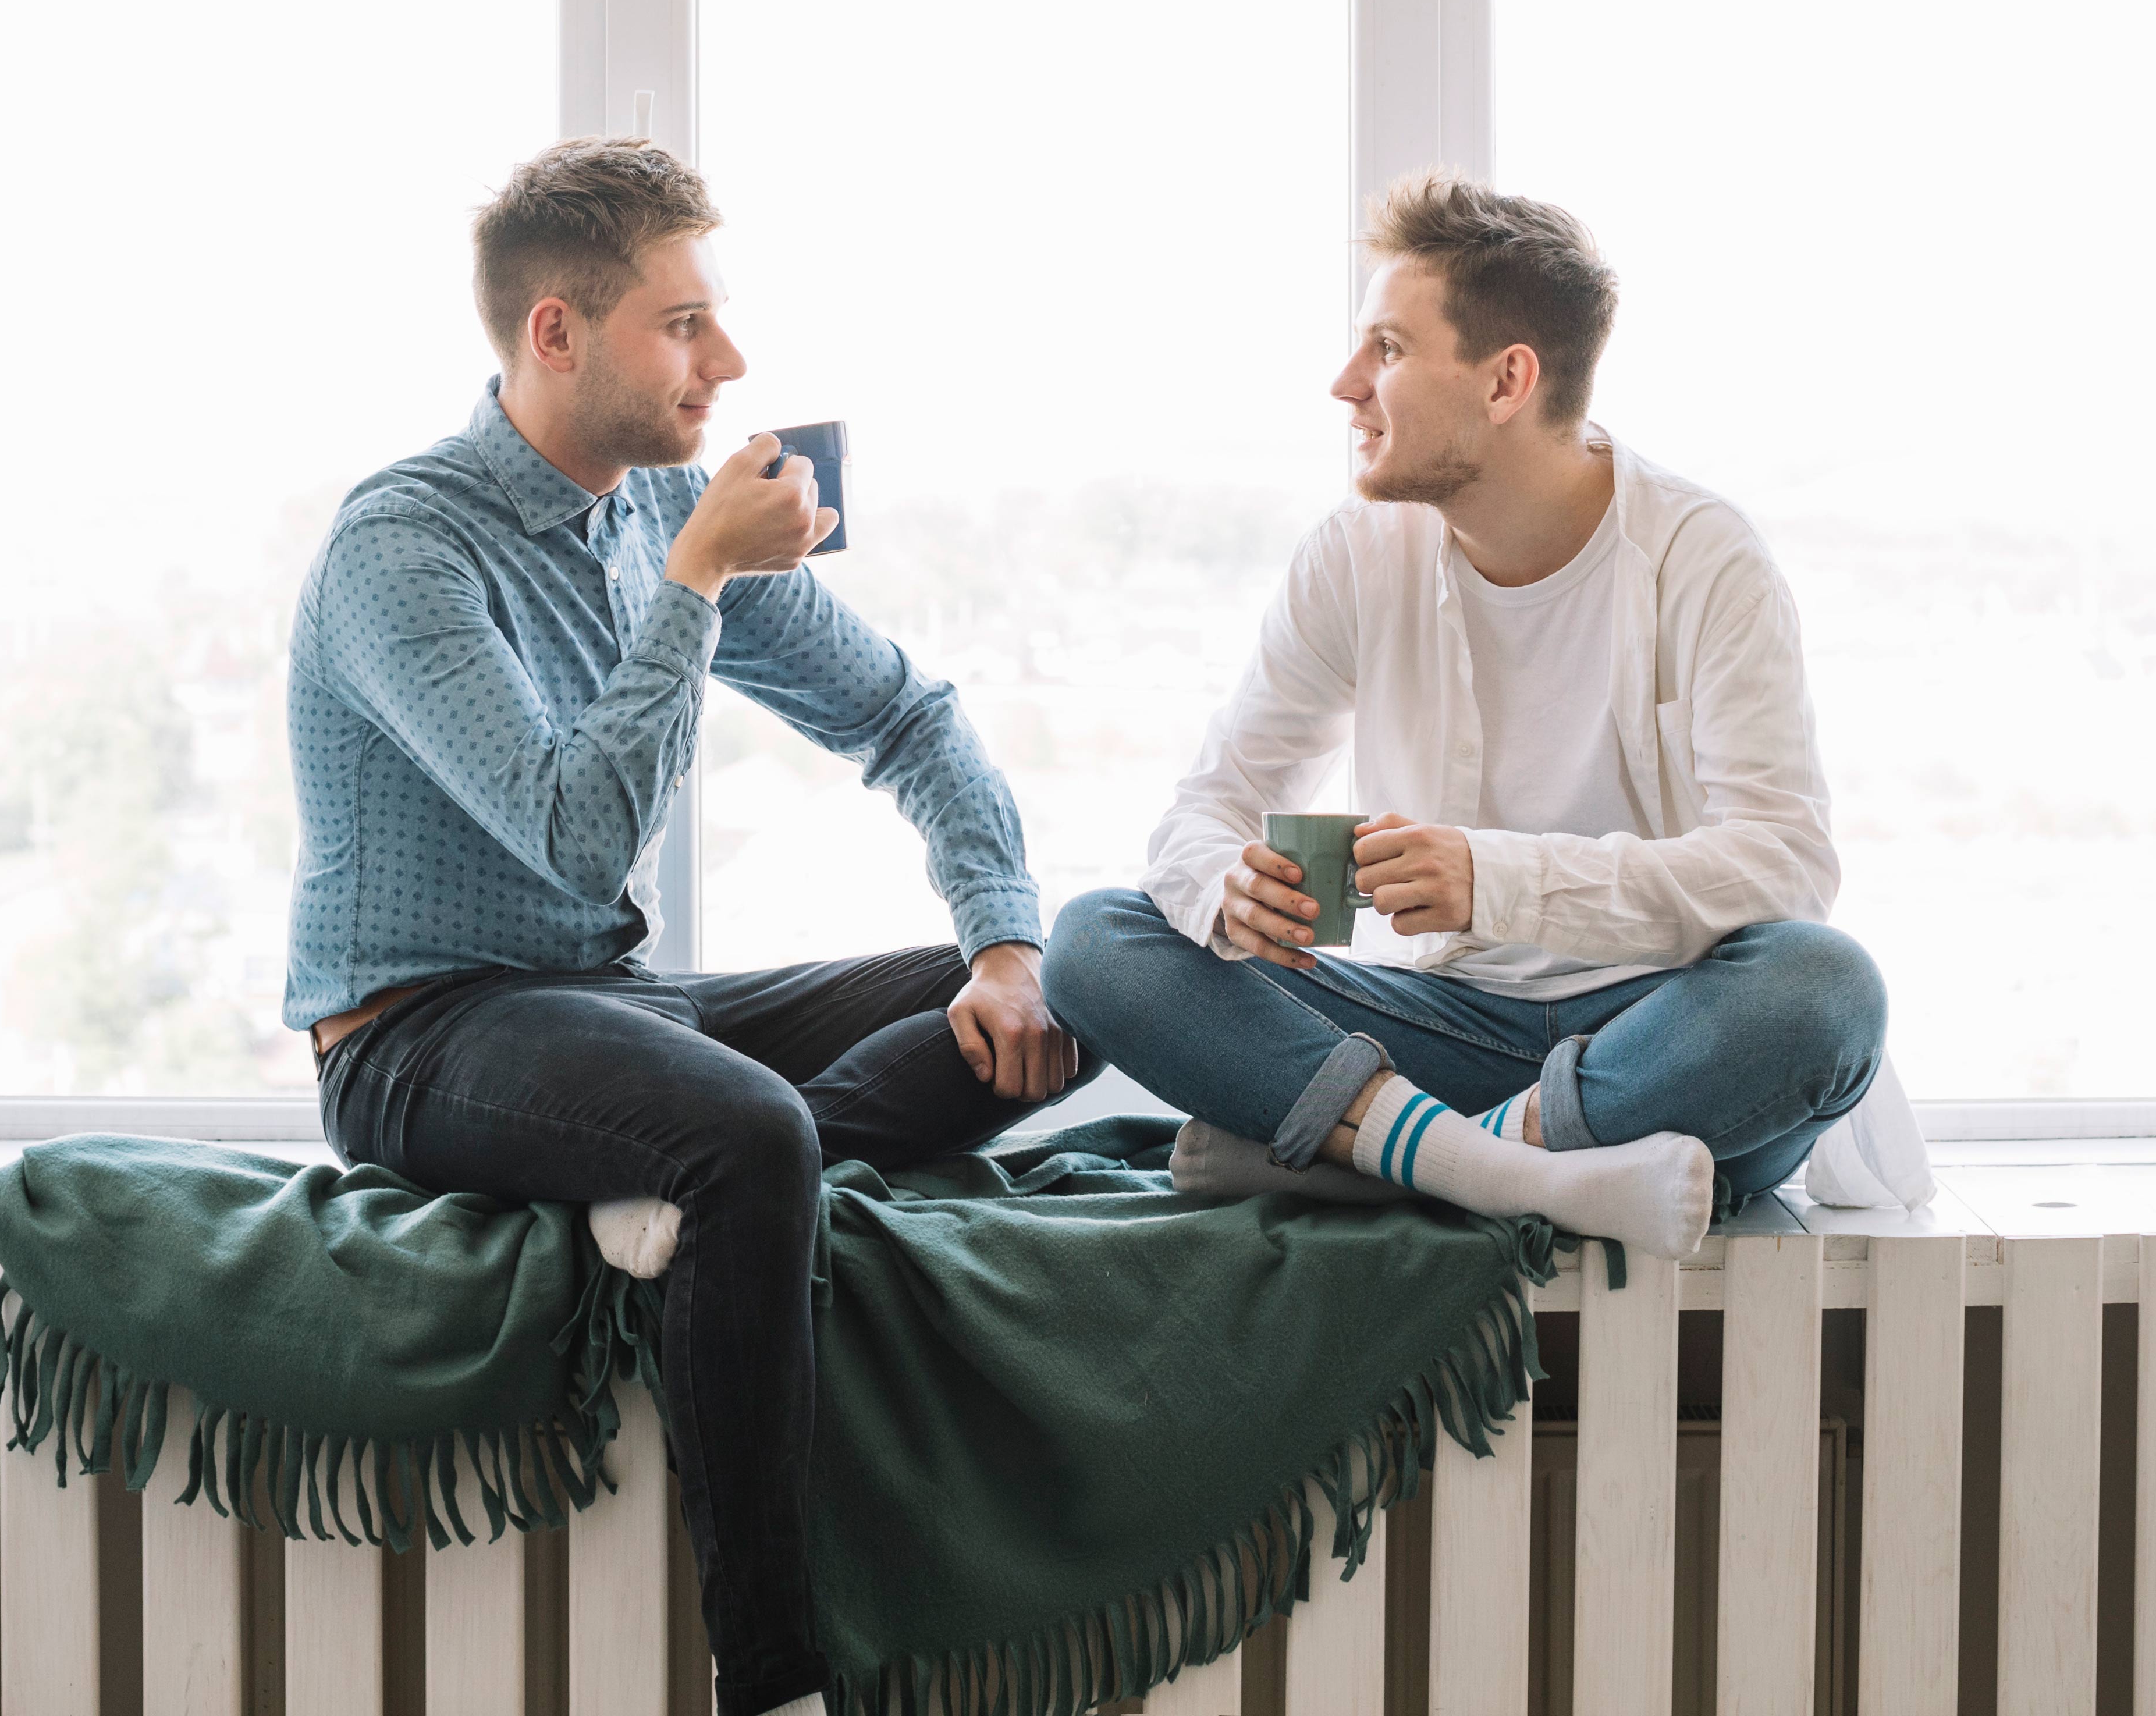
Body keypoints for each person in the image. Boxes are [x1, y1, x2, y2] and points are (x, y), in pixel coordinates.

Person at [283, 137, 1082, 1716]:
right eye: (684, 326)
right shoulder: (406, 551)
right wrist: (700, 578)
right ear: (557, 334)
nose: (729, 362)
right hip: (422, 1034)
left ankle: (673, 1191)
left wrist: (1001, 938)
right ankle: (774, 1679)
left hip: (613, 1015)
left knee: (1093, 979)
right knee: (745, 1138)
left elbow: (909, 714)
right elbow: (578, 837)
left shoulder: (662, 512)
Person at [1041, 173, 1887, 1262]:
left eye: (1387, 350)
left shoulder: (1704, 556)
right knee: (1098, 941)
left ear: (1507, 381)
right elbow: (1210, 808)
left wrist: (1493, 879)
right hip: (1439, 1028)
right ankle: (1502, 1169)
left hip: (1658, 1034)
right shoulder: (1356, 553)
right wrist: (1228, 888)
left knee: (1822, 993)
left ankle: (1372, 1156)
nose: (1346, 385)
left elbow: (1783, 870)